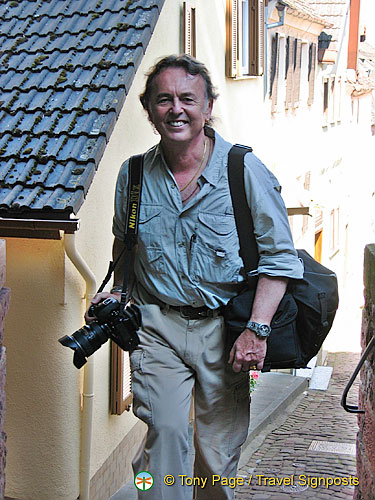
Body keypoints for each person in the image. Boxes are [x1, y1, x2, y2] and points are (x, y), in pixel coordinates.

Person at [87, 54, 304, 500]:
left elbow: (280, 260)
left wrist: (256, 331)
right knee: (164, 434)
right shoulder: (132, 176)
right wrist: (117, 294)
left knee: (215, 458)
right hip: (158, 325)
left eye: (188, 98)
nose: (176, 109)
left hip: (223, 330)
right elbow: (125, 248)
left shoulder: (243, 170)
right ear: (149, 111)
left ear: (207, 108)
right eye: (163, 100)